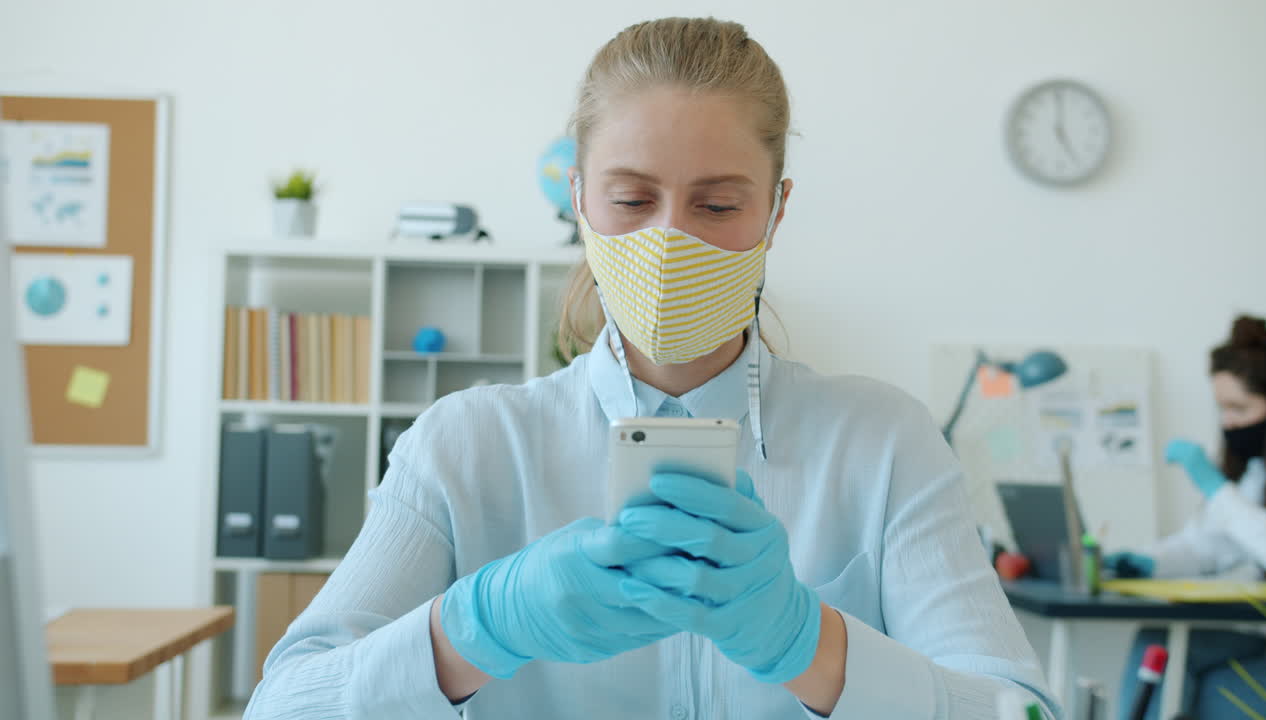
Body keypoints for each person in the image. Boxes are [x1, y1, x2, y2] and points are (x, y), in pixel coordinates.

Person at [244, 17, 1057, 719]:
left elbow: (1020, 710)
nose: (671, 242)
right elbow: (281, 706)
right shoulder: (463, 447)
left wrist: (816, 647)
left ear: (776, 210)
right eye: (632, 201)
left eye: (717, 204)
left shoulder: (885, 444)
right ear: (579, 201)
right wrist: (476, 628)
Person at [1109, 315, 1266, 718]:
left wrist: (1216, 489)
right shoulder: (1258, 472)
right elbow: (1208, 545)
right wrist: (1150, 562)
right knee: (1158, 645)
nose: (1227, 422)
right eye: (1222, 408)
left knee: (1214, 693)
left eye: (1239, 408)